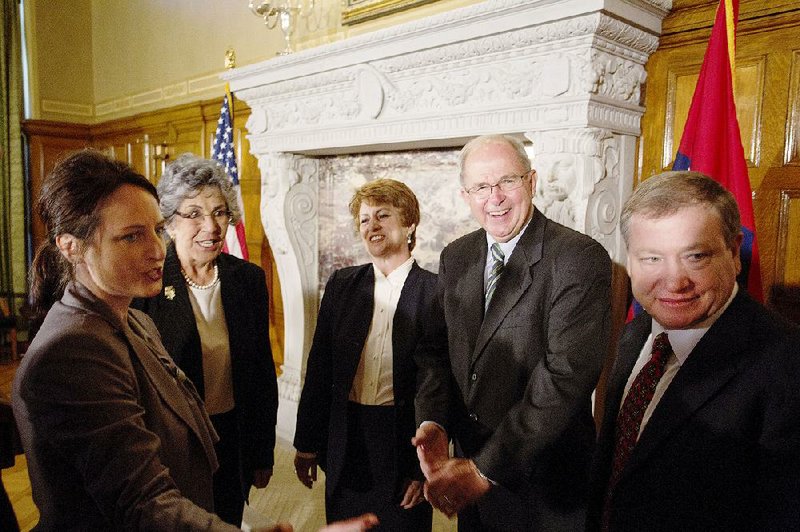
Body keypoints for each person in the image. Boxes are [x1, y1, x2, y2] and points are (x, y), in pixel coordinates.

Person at [12, 150, 247, 530]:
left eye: (157, 229)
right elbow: (142, 504)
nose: (157, 250)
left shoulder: (135, 319)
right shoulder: (72, 351)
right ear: (71, 246)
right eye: (132, 236)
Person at [413, 134, 612, 530]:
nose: (495, 198)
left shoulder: (578, 256)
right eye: (481, 187)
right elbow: (436, 351)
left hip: (544, 484)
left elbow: (564, 378)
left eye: (508, 181)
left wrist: (485, 469)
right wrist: (434, 421)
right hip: (468, 468)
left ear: (532, 182)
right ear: (466, 195)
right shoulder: (456, 254)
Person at [587, 171, 800, 531]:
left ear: (734, 253)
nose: (674, 281)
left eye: (696, 257)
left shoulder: (786, 360)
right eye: (651, 258)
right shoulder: (632, 335)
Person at [132, 153, 278, 527]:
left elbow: (261, 373)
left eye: (219, 212)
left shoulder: (246, 279)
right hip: (174, 447)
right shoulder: (145, 284)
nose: (210, 226)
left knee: (226, 517)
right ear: (169, 222)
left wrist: (262, 453)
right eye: (194, 213)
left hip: (232, 435)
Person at [294, 179, 436, 530]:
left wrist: (425, 468)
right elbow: (320, 368)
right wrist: (306, 443)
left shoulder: (436, 291)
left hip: (403, 442)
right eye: (363, 219)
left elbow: (439, 385)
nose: (371, 225)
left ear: (409, 224)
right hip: (346, 438)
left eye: (382, 215)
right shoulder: (342, 285)